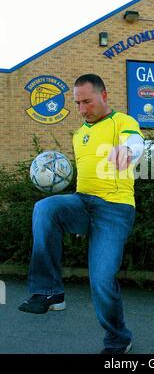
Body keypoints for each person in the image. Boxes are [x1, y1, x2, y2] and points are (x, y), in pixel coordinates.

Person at [18, 74, 145, 354]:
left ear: (104, 96)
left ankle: (118, 339)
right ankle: (50, 292)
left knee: (101, 279)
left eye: (87, 101)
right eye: (77, 103)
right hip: (83, 202)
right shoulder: (79, 135)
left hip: (115, 209)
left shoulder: (122, 121)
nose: (82, 109)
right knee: (45, 208)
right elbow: (84, 181)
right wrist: (73, 218)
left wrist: (126, 149)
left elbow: (136, 143)